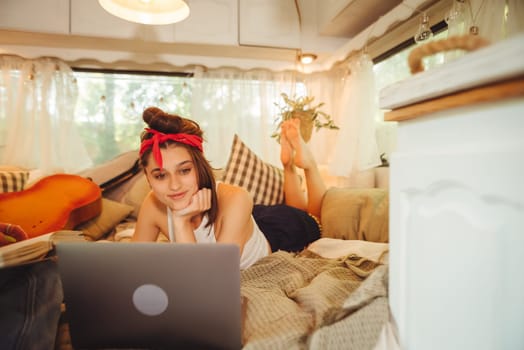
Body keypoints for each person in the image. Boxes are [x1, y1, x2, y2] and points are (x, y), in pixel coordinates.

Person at [132, 107, 326, 269]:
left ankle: (307, 165)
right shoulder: (152, 204)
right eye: (160, 175)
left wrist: (181, 221)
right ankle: (288, 165)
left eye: (184, 171)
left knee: (314, 217)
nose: (174, 185)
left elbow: (214, 282)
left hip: (274, 230)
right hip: (243, 222)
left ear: (199, 166)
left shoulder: (237, 198)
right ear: (148, 178)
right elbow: (133, 266)